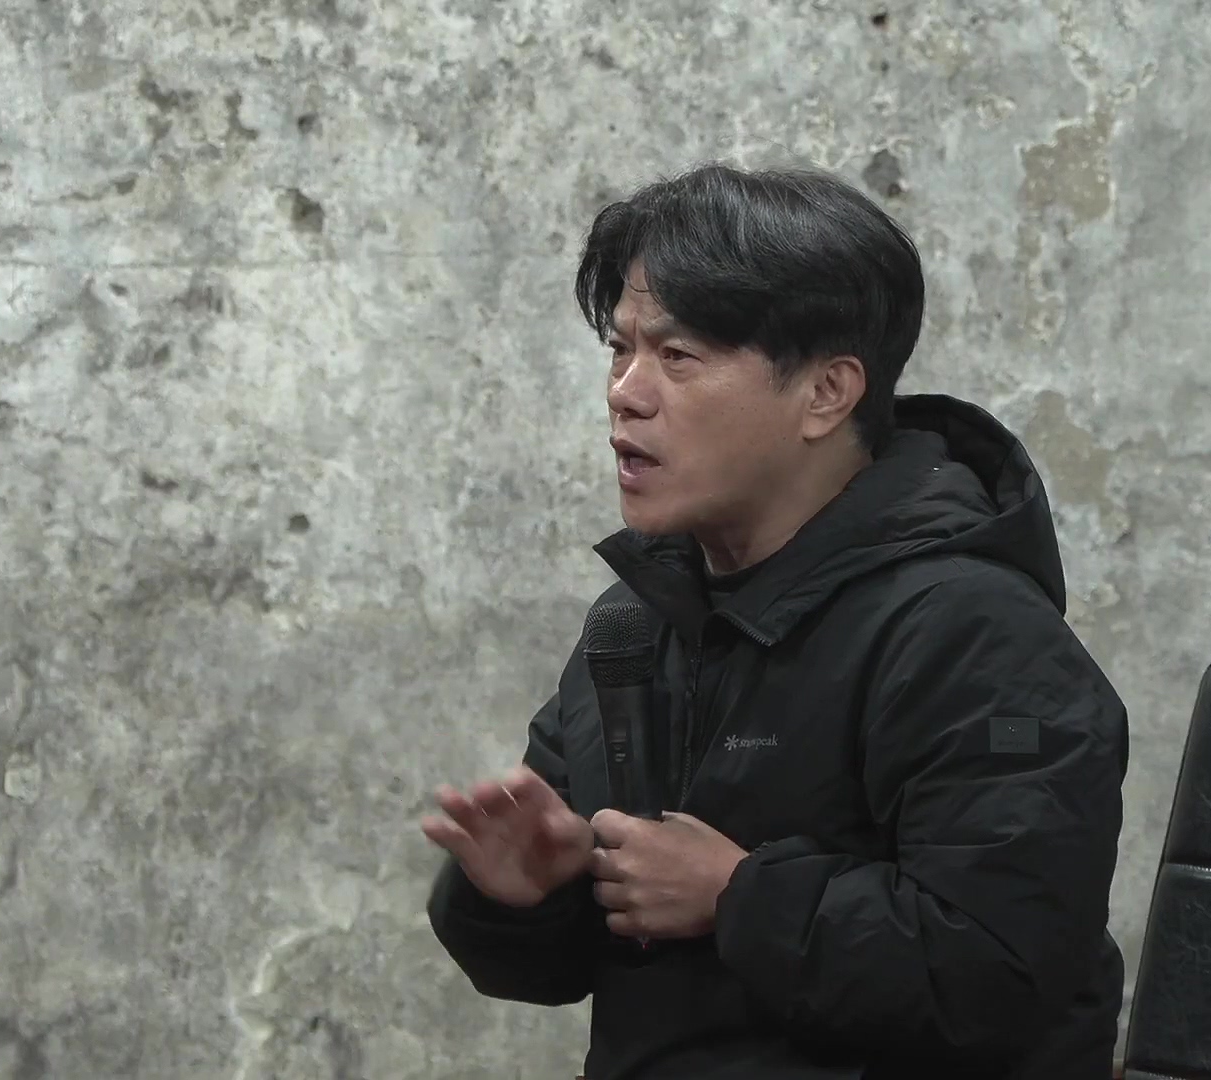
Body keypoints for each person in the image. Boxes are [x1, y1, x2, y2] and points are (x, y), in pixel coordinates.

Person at [421, 162, 1129, 1080]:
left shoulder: (976, 637)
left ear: (827, 393)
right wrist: (529, 892)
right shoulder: (634, 626)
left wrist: (736, 895)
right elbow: (559, 969)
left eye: (678, 357)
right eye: (620, 349)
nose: (626, 391)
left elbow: (1003, 972)